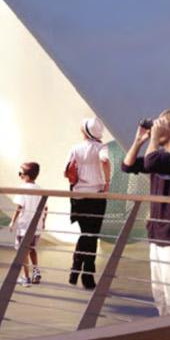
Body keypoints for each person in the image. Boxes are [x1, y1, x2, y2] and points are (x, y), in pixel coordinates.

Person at [122, 111, 170, 315]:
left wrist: (154, 140)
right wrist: (139, 141)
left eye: (162, 122)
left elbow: (152, 163)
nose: (156, 125)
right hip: (157, 235)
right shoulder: (160, 157)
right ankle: (167, 333)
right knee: (160, 295)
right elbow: (127, 165)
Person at [65, 119, 109, 288]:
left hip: (78, 196)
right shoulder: (101, 147)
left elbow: (67, 172)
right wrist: (107, 182)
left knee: (86, 233)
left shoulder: (75, 148)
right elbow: (104, 161)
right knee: (92, 235)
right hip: (96, 196)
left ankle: (76, 268)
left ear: (85, 131)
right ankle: (87, 275)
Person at [13, 161, 48, 284]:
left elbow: (19, 207)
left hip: (24, 226)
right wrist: (43, 222)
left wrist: (12, 222)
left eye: (20, 173)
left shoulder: (22, 188)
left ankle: (26, 277)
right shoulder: (40, 189)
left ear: (26, 176)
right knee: (32, 249)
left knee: (23, 252)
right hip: (36, 227)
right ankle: (36, 271)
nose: (19, 176)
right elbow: (45, 208)